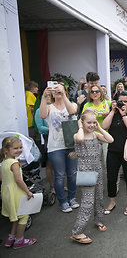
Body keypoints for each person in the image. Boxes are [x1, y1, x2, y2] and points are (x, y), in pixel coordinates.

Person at [70, 110, 114, 244]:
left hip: (98, 170)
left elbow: (110, 139)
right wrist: (80, 127)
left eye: (93, 122)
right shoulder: (78, 134)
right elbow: (80, 139)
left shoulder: (95, 134)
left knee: (99, 197)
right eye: (88, 122)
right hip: (86, 172)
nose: (91, 125)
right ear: (82, 122)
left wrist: (99, 127)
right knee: (87, 202)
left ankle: (98, 220)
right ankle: (77, 232)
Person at [39, 83, 79, 213]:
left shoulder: (72, 104)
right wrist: (45, 97)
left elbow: (72, 111)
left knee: (72, 174)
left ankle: (72, 198)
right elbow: (42, 115)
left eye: (59, 89)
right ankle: (62, 201)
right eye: (54, 89)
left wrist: (63, 95)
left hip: (71, 146)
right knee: (60, 175)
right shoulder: (50, 107)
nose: (56, 91)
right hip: (56, 147)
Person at [102, 91, 127, 216]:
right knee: (111, 177)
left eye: (125, 101)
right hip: (113, 150)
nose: (122, 103)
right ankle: (112, 201)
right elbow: (104, 126)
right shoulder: (113, 113)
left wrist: (124, 115)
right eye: (120, 101)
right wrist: (113, 111)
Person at [1, 136, 37, 249]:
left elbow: (2, 178)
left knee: (16, 216)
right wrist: (28, 192)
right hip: (16, 192)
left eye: (21, 147)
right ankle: (19, 240)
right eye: (15, 148)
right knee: (24, 215)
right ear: (6, 150)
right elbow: (18, 180)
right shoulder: (14, 163)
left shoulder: (4, 162)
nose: (19, 150)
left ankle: (11, 238)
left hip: (7, 192)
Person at [34, 94, 54, 194]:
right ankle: (52, 187)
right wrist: (51, 129)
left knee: (59, 166)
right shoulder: (39, 111)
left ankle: (61, 185)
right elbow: (40, 128)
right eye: (47, 97)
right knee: (49, 164)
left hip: (59, 139)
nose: (49, 99)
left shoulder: (56, 109)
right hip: (48, 140)